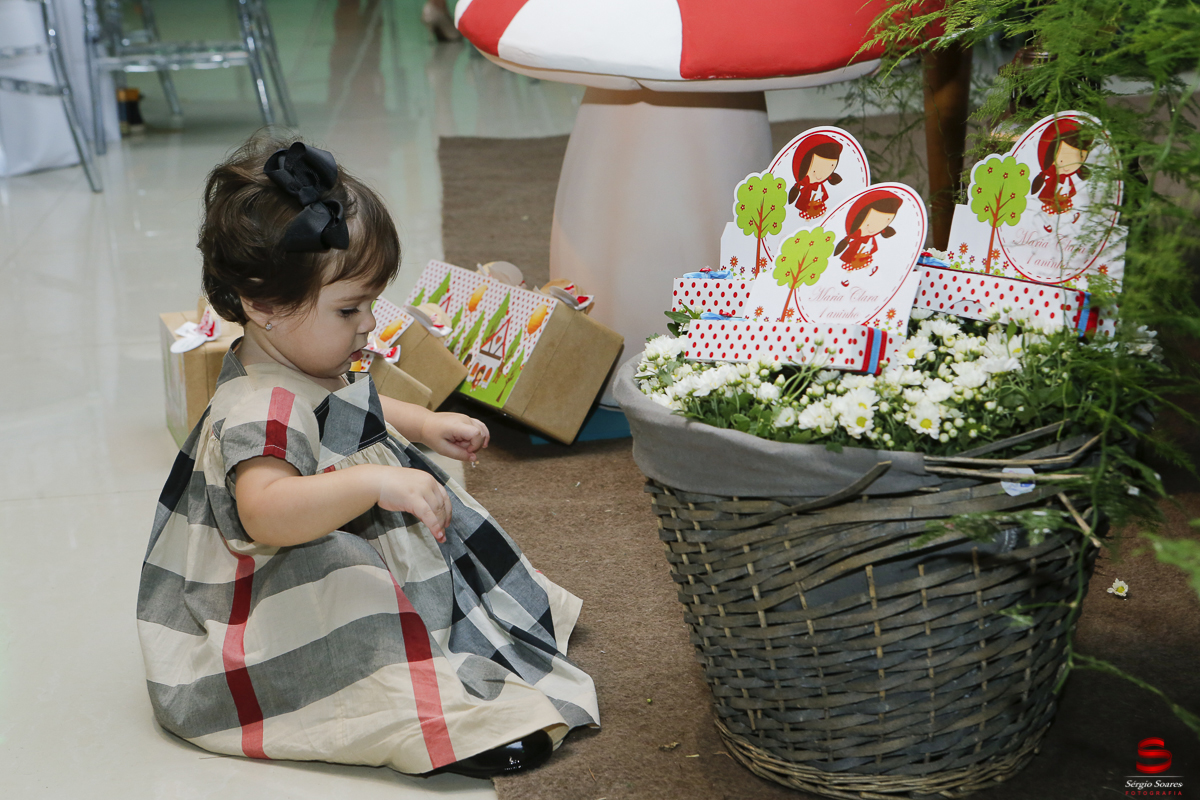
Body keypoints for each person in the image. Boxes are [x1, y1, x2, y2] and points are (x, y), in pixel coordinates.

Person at [136, 136, 598, 779]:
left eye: (372, 301)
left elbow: (351, 408)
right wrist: (374, 483)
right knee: (359, 602)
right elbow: (266, 512)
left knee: (426, 583)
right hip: (294, 579)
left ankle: (452, 637)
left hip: (351, 525)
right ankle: (441, 719)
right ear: (263, 305)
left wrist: (424, 424)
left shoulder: (303, 357)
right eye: (351, 308)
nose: (369, 323)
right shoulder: (258, 406)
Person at [1029, 118, 1092, 217]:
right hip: (1047, 213)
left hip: (1067, 208)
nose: (1068, 167)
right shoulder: (1049, 178)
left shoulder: (1071, 178)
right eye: (1062, 161)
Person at [834, 189, 902, 277]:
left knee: (866, 263)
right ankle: (845, 278)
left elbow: (870, 245)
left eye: (886, 221)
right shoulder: (856, 240)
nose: (875, 227)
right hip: (855, 257)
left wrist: (870, 247)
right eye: (869, 224)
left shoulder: (870, 238)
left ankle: (870, 271)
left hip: (864, 255)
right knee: (850, 268)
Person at [787, 134, 844, 220]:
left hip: (819, 207)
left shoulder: (821, 185)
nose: (821, 175)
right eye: (814, 171)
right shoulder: (803, 187)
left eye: (831, 166)